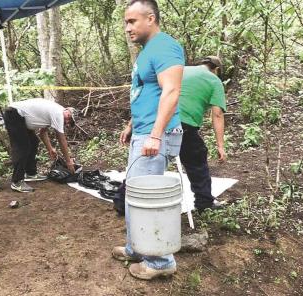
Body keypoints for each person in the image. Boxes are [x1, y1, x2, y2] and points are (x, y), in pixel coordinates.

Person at [112, 0, 185, 280]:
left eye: (132, 21)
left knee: (148, 198)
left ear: (150, 18)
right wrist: (132, 125)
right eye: (126, 22)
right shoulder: (146, 52)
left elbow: (171, 92)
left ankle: (160, 261)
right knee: (134, 194)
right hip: (144, 131)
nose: (127, 27)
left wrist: (154, 134)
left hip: (157, 135)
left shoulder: (165, 46)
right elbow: (146, 92)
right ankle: (137, 247)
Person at [178, 56, 227, 212]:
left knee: (147, 162)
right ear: (216, 69)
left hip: (158, 120)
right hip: (184, 124)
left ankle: (123, 199)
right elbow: (217, 114)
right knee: (197, 160)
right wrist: (220, 146)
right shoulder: (214, 80)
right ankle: (204, 203)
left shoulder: (181, 70)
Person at [3, 98, 77, 193]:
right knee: (22, 147)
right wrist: (68, 162)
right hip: (14, 114)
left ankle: (30, 173)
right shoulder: (58, 113)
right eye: (69, 117)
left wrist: (50, 149)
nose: (67, 121)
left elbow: (42, 132)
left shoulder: (55, 111)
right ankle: (17, 182)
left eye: (70, 122)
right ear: (66, 110)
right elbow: (61, 139)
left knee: (34, 141)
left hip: (21, 117)